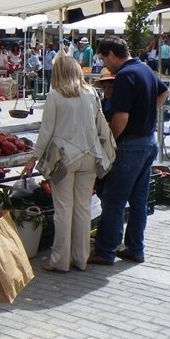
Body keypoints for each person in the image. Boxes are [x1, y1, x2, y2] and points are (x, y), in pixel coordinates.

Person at [22, 56, 114, 273]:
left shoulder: (55, 95)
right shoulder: (91, 93)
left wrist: (33, 158)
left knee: (63, 210)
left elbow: (46, 132)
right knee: (82, 209)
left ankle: (60, 261)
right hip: (91, 155)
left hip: (64, 159)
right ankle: (81, 259)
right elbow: (101, 125)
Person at [89, 38, 169, 267]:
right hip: (148, 143)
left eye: (104, 58)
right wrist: (147, 112)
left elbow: (121, 117)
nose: (105, 64)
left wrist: (110, 142)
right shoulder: (145, 68)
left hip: (131, 146)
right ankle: (135, 248)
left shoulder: (125, 75)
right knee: (138, 201)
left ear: (112, 54)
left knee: (114, 199)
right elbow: (164, 93)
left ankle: (105, 250)